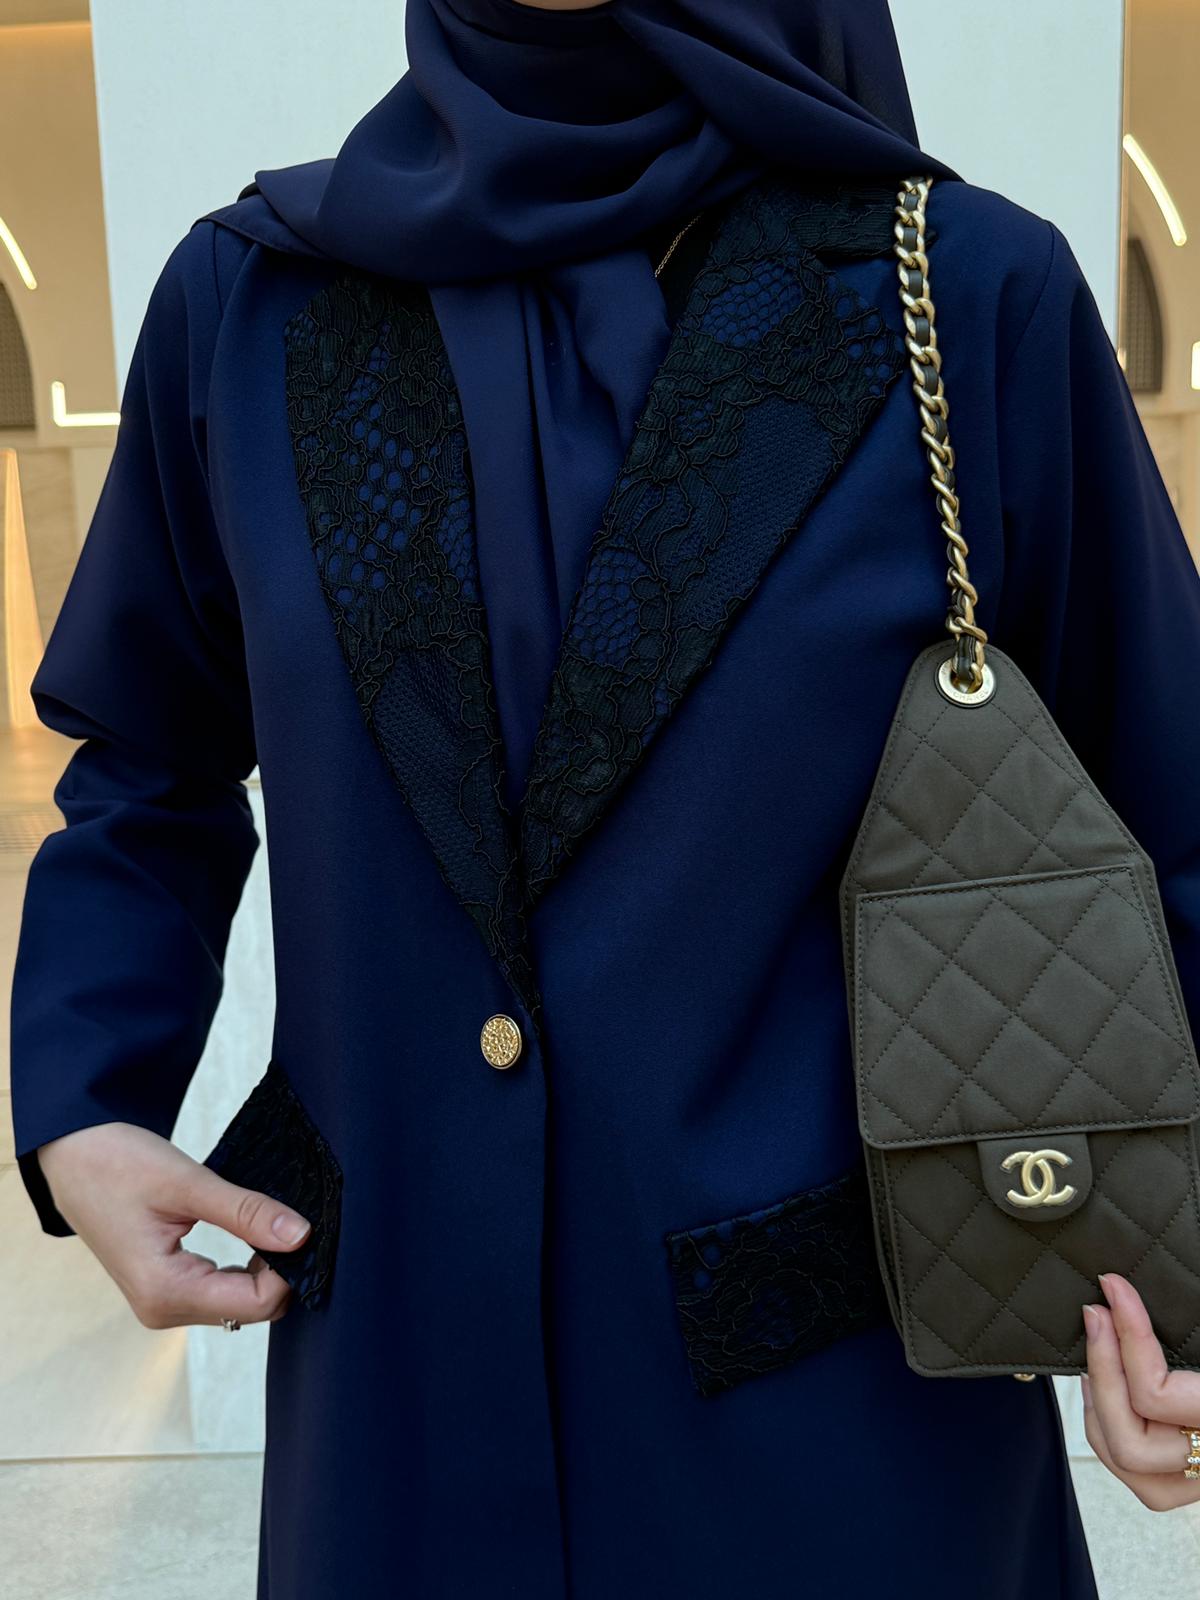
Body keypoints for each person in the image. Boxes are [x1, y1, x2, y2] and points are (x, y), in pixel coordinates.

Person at [10, 2, 1200, 1595]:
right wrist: (83, 1100)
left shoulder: (962, 294)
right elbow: (146, 764)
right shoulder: (250, 305)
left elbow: (1173, 806)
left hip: (840, 1443)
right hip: (402, 1429)